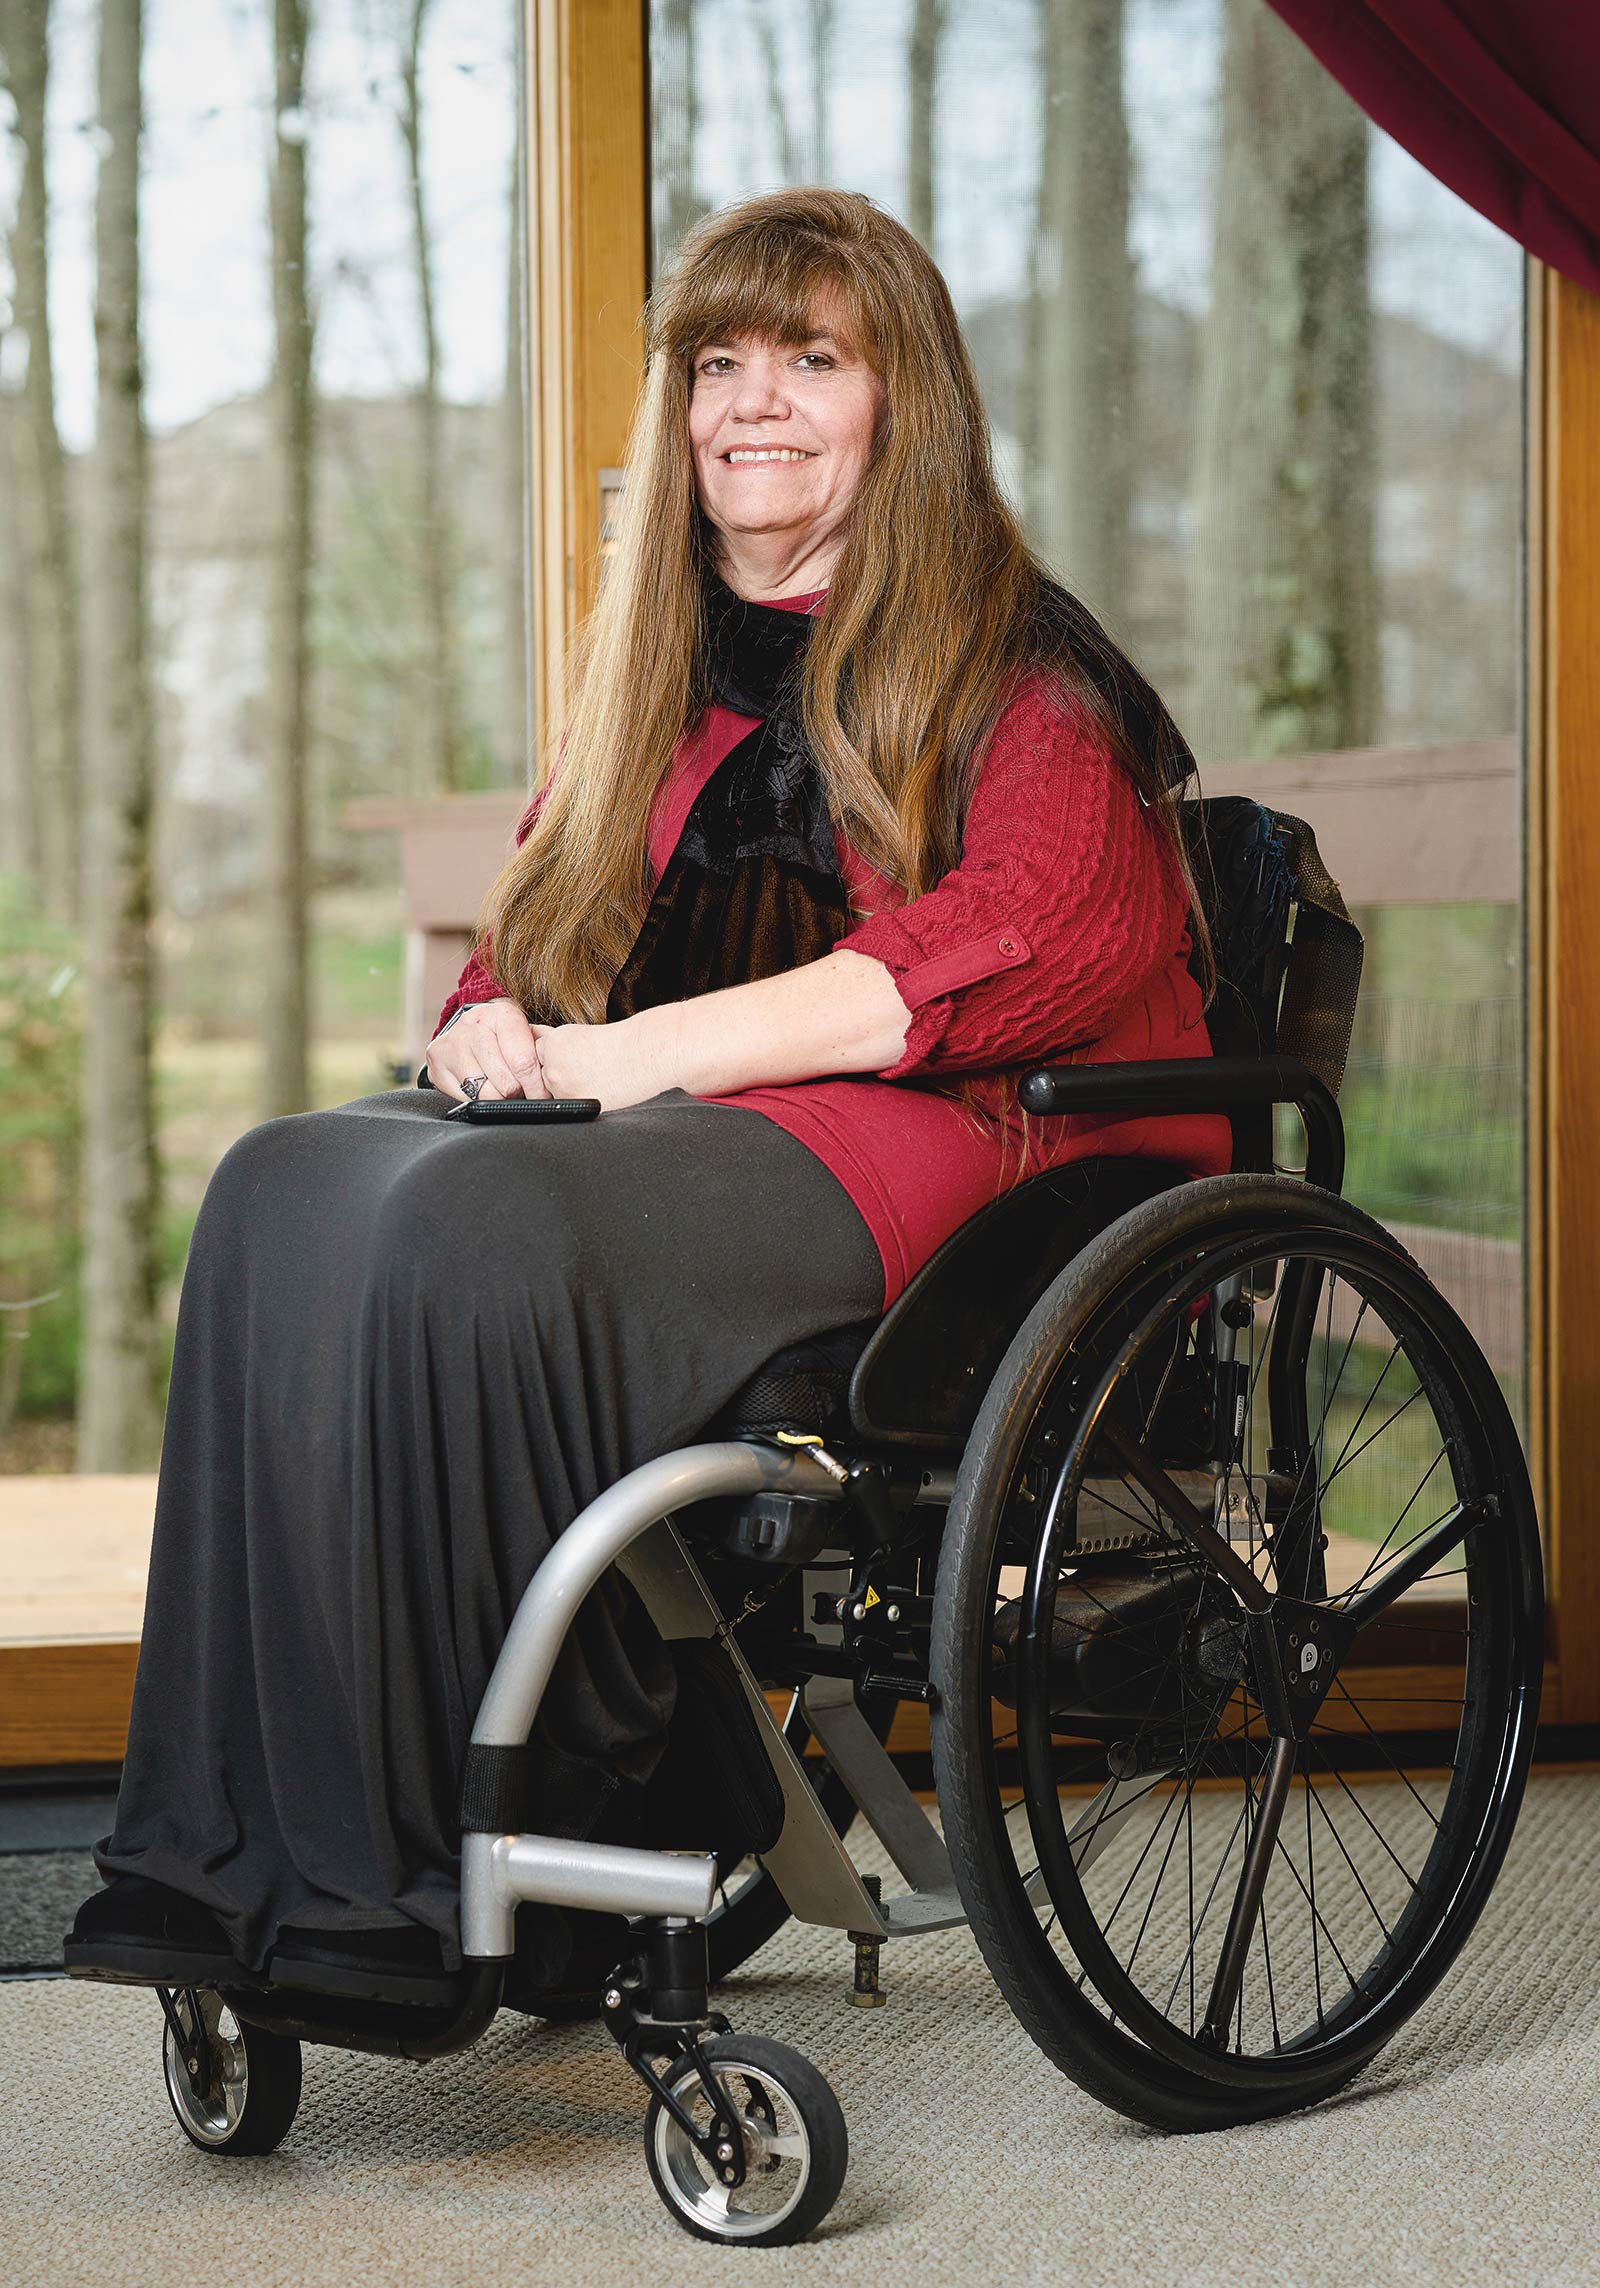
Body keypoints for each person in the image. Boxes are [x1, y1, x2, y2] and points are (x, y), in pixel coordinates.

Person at [68, 188, 1230, 2003]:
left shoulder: (1022, 667)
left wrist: (612, 1062)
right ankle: (236, 1866)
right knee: (281, 1182)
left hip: (999, 1143)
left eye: (814, 361)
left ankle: (480, 1855)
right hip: (699, 1121)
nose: (753, 404)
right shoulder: (661, 668)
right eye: (720, 362)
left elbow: (1011, 947)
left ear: (899, 402)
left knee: (476, 1220)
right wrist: (488, 1032)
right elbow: (541, 927)